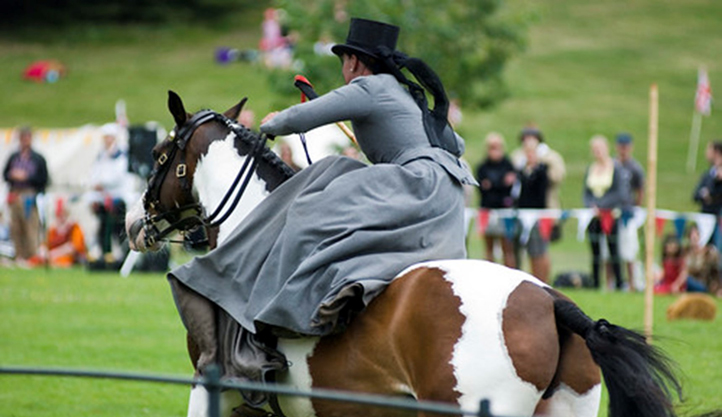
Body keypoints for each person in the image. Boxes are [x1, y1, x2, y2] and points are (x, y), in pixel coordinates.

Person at [168, 18, 475, 394]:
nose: (344, 68)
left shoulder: (369, 87)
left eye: (343, 61)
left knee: (312, 202)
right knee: (341, 183)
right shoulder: (404, 94)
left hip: (413, 182)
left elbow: (306, 117)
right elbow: (456, 144)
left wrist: (274, 123)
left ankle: (283, 309)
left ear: (354, 62)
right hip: (446, 192)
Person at [583, 135, 629, 290]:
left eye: (600, 149)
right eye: (595, 149)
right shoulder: (591, 168)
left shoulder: (616, 168)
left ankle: (619, 282)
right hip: (594, 215)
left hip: (610, 214)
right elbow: (586, 192)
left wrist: (602, 206)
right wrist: (591, 206)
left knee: (613, 248)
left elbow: (620, 193)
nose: (598, 152)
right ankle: (596, 282)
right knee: (595, 249)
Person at [2, 126, 49, 264]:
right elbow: (5, 174)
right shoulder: (14, 157)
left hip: (29, 195)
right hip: (15, 193)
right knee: (15, 226)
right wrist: (14, 175)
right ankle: (18, 255)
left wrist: (26, 177)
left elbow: (43, 179)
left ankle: (31, 256)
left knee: (30, 225)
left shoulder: (38, 158)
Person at [86, 123, 131, 265]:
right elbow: (94, 174)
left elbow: (119, 176)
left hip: (117, 198)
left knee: (116, 228)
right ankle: (104, 253)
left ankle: (119, 254)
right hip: (102, 199)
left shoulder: (120, 156)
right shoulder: (101, 155)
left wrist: (102, 183)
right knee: (103, 226)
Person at [475, 132, 517, 268]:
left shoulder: (508, 165)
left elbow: (508, 186)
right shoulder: (482, 167)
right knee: (488, 249)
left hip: (505, 211)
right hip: (487, 211)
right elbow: (483, 187)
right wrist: (500, 183)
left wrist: (493, 185)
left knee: (507, 249)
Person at [613, 132, 646, 291]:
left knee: (629, 249)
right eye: (621, 146)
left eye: (626, 146)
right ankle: (612, 282)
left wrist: (636, 206)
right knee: (610, 249)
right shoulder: (612, 165)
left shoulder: (635, 168)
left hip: (628, 213)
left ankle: (632, 283)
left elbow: (640, 190)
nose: (623, 149)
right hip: (611, 212)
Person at [516, 138, 551, 283]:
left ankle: (543, 280)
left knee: (540, 250)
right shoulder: (521, 171)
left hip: (537, 214)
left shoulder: (542, 170)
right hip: (523, 214)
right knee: (530, 250)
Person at [30, 198, 87, 268]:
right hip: (52, 256)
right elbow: (46, 243)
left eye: (63, 215)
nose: (61, 218)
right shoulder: (54, 229)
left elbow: (74, 247)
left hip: (69, 257)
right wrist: (43, 250)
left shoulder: (74, 227)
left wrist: (54, 254)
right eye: (58, 215)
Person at [685, 223, 721, 296]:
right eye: (692, 235)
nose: (694, 237)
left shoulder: (708, 252)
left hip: (705, 284)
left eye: (696, 234)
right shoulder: (686, 252)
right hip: (692, 283)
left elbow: (715, 271)